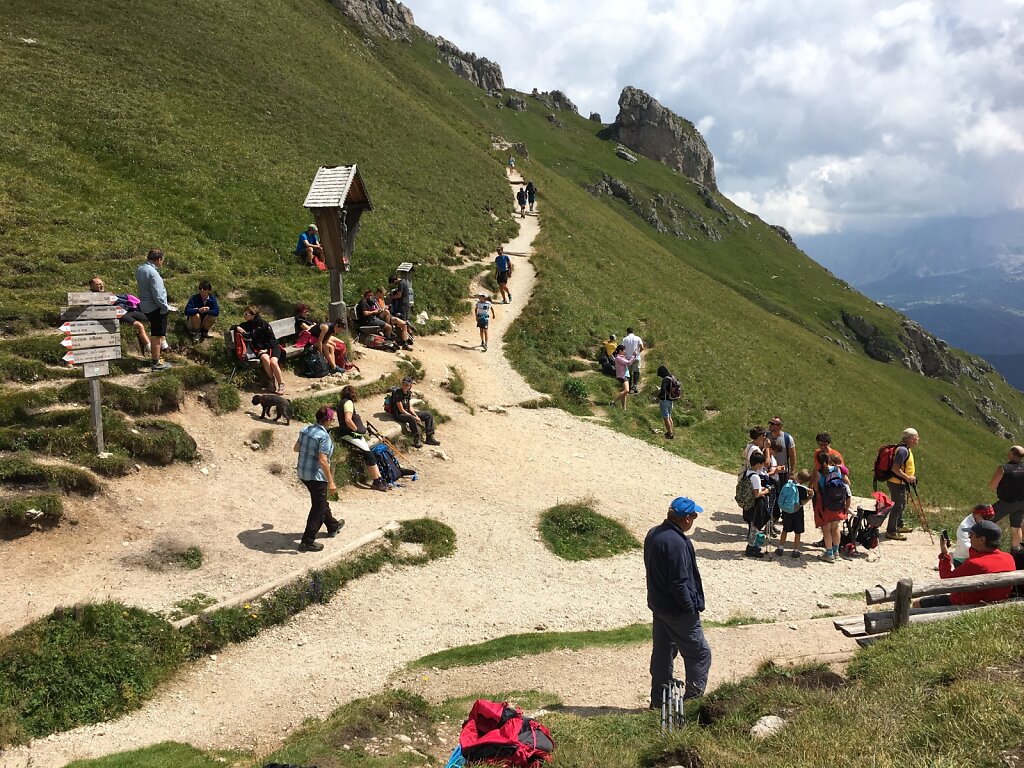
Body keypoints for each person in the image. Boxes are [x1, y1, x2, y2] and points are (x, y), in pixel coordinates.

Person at [644, 496, 712, 708]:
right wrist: (690, 608)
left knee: (663, 653)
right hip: (677, 610)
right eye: (694, 515)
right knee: (700, 654)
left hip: (659, 606)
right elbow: (679, 583)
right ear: (686, 519)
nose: (694, 519)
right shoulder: (677, 543)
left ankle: (658, 702)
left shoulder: (654, 533)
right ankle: (692, 703)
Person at [913, 520, 1015, 608]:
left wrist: (944, 554)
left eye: (972, 534)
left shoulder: (975, 563)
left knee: (916, 604)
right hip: (996, 601)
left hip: (964, 604)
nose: (969, 537)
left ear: (982, 540)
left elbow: (947, 579)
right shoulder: (1008, 557)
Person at [293, 406, 343, 552]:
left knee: (319, 500)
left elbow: (296, 448)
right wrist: (331, 481)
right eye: (332, 419)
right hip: (316, 476)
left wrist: (309, 450)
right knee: (318, 508)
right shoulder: (324, 437)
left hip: (303, 473)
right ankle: (307, 541)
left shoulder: (305, 430)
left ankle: (333, 525)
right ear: (327, 420)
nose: (333, 421)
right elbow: (323, 460)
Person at [336, 386, 389, 492]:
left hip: (352, 435)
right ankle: (377, 482)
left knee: (370, 454)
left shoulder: (342, 402)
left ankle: (379, 479)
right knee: (369, 455)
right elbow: (348, 419)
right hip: (351, 435)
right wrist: (356, 429)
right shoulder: (348, 403)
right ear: (352, 394)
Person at [89, 276, 151, 357]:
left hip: (124, 311)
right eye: (98, 284)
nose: (101, 285)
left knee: (152, 318)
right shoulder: (91, 297)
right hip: (116, 314)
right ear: (92, 286)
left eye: (102, 283)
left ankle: (162, 346)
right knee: (139, 325)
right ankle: (150, 350)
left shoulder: (107, 294)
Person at [135, 248, 174, 371]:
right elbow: (158, 294)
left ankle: (156, 359)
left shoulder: (140, 269)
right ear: (159, 259)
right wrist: (165, 307)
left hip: (145, 306)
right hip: (156, 307)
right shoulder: (154, 273)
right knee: (157, 334)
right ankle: (156, 363)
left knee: (155, 332)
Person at [236, 305, 285, 393]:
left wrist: (266, 349)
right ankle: (271, 382)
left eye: (246, 313)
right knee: (265, 358)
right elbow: (234, 327)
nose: (244, 315)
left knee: (273, 362)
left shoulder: (263, 324)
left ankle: (281, 384)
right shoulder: (247, 325)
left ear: (253, 315)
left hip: (272, 346)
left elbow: (272, 339)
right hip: (260, 349)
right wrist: (237, 328)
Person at [885, 428, 920, 541]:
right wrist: (908, 477)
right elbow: (895, 468)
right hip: (896, 483)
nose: (918, 439)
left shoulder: (906, 449)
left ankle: (899, 525)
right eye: (916, 437)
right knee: (897, 506)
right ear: (910, 439)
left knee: (902, 504)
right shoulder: (903, 451)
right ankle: (891, 531)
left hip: (901, 482)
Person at [811, 432, 844, 543]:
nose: (822, 447)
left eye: (824, 445)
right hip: (821, 489)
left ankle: (829, 543)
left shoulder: (836, 455)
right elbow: (816, 469)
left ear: (829, 443)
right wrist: (811, 484)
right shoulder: (817, 453)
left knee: (831, 521)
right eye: (820, 445)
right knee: (823, 518)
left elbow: (842, 473)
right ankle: (826, 540)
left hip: (830, 490)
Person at [990, 445, 1024, 552]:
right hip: (1022, 503)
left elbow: (992, 486)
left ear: (1012, 454)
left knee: (987, 519)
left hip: (1006, 502)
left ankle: (989, 547)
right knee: (1016, 527)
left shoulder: (1004, 469)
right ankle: (1016, 551)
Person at [390, 376, 440, 448]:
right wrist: (414, 417)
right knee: (411, 418)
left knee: (428, 415)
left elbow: (409, 407)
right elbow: (401, 410)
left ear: (410, 385)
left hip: (406, 412)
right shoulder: (398, 393)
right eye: (403, 384)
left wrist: (416, 415)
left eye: (406, 385)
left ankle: (429, 437)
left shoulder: (409, 393)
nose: (404, 386)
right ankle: (417, 439)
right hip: (398, 414)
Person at [819, 451, 851, 563]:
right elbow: (847, 483)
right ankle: (836, 552)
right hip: (838, 503)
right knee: (836, 528)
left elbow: (817, 489)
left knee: (826, 530)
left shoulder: (819, 473)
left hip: (826, 504)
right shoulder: (837, 470)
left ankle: (829, 554)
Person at [776, 468, 814, 559]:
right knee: (798, 532)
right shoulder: (803, 489)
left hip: (787, 511)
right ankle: (796, 550)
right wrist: (810, 497)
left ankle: (780, 548)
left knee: (785, 529)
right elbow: (802, 502)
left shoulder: (789, 484)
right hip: (797, 512)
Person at [743, 451, 772, 558]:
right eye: (761, 463)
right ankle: (751, 548)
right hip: (755, 504)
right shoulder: (755, 476)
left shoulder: (747, 472)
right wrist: (767, 490)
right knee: (755, 526)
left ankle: (752, 546)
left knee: (752, 525)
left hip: (748, 503)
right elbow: (757, 494)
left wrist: (761, 489)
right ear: (758, 464)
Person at [610, 344, 636, 409]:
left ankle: (624, 408)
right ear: (620, 350)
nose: (625, 351)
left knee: (624, 393)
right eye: (624, 350)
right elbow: (628, 363)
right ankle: (613, 401)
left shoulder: (620, 357)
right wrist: (633, 356)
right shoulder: (619, 358)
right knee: (627, 390)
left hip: (624, 375)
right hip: (623, 376)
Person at [621, 327, 645, 394]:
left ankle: (629, 386)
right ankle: (634, 386)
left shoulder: (625, 339)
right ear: (633, 332)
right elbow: (642, 347)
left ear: (627, 332)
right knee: (636, 371)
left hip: (627, 358)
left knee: (629, 373)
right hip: (636, 357)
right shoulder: (637, 338)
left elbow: (622, 349)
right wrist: (638, 353)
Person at [657, 366, 677, 439]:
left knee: (666, 417)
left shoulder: (665, 379)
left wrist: (658, 396)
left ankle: (670, 434)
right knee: (669, 416)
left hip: (664, 400)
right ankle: (670, 431)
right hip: (671, 400)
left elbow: (663, 390)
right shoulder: (672, 377)